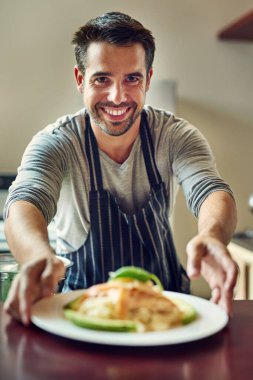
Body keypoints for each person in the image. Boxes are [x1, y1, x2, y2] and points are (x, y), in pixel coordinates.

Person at [4, 11, 237, 325]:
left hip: (162, 311)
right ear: (79, 79)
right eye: (102, 79)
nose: (118, 96)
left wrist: (211, 236)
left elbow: (210, 190)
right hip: (79, 312)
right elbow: (25, 201)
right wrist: (36, 256)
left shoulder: (175, 136)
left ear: (148, 79)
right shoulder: (56, 143)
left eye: (132, 78)